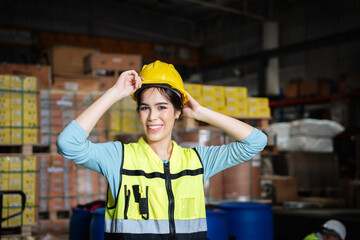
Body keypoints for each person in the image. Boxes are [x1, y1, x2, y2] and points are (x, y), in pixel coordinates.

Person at [56, 60, 267, 239]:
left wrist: (203, 113)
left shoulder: (197, 161)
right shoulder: (119, 158)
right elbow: (68, 143)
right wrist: (115, 93)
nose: (152, 117)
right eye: (144, 108)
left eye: (162, 107)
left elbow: (256, 142)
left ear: (178, 112)